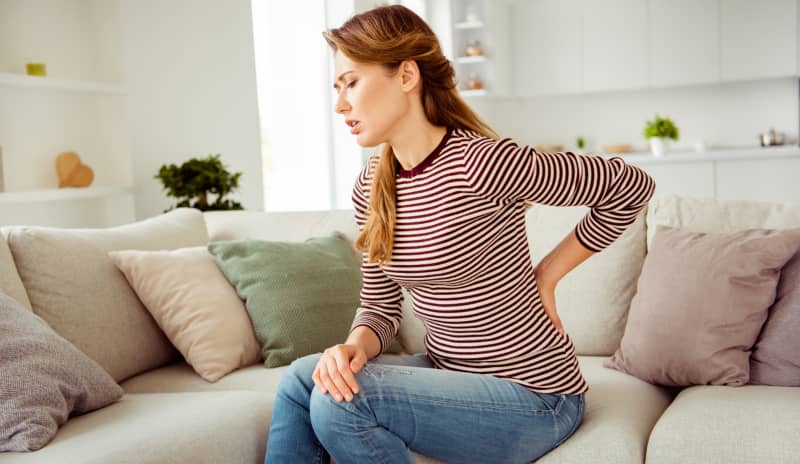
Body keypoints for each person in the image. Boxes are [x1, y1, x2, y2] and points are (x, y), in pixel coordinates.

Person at [265, 5, 655, 464]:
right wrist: (352, 349)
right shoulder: (371, 185)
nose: (340, 104)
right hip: (450, 375)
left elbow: (631, 187)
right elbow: (379, 306)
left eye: (351, 82)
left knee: (339, 401)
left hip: (536, 396)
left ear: (406, 74)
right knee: (301, 381)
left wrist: (547, 273)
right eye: (337, 87)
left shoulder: (480, 163)